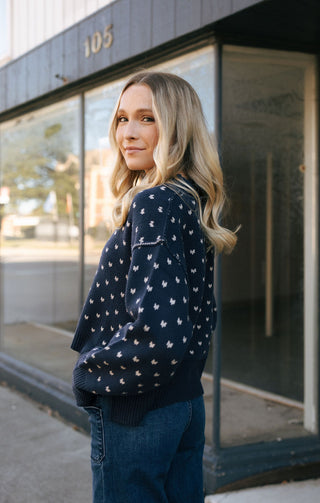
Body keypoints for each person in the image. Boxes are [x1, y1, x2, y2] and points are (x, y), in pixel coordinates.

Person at [71, 71, 237, 503]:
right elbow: (196, 314)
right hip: (183, 404)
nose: (128, 133)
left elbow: (159, 334)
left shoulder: (157, 202)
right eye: (122, 119)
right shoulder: (187, 199)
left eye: (146, 118)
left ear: (178, 127)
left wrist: (90, 373)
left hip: (138, 411)